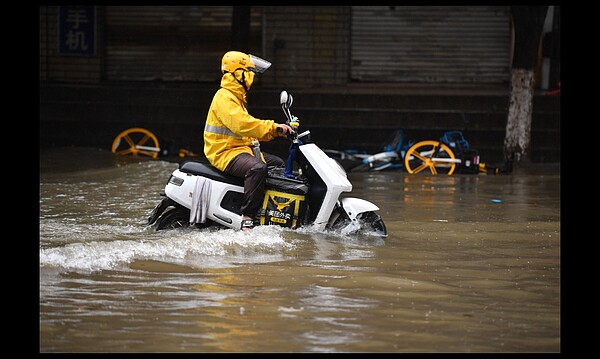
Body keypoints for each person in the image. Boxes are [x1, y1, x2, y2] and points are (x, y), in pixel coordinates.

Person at [203, 50, 294, 230]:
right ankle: (248, 216)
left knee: (277, 163)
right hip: (224, 152)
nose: (252, 77)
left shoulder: (236, 97)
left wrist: (278, 130)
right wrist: (274, 128)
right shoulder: (224, 97)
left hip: (239, 148)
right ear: (239, 74)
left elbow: (245, 129)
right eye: (249, 72)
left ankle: (270, 210)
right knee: (257, 168)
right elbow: (243, 125)